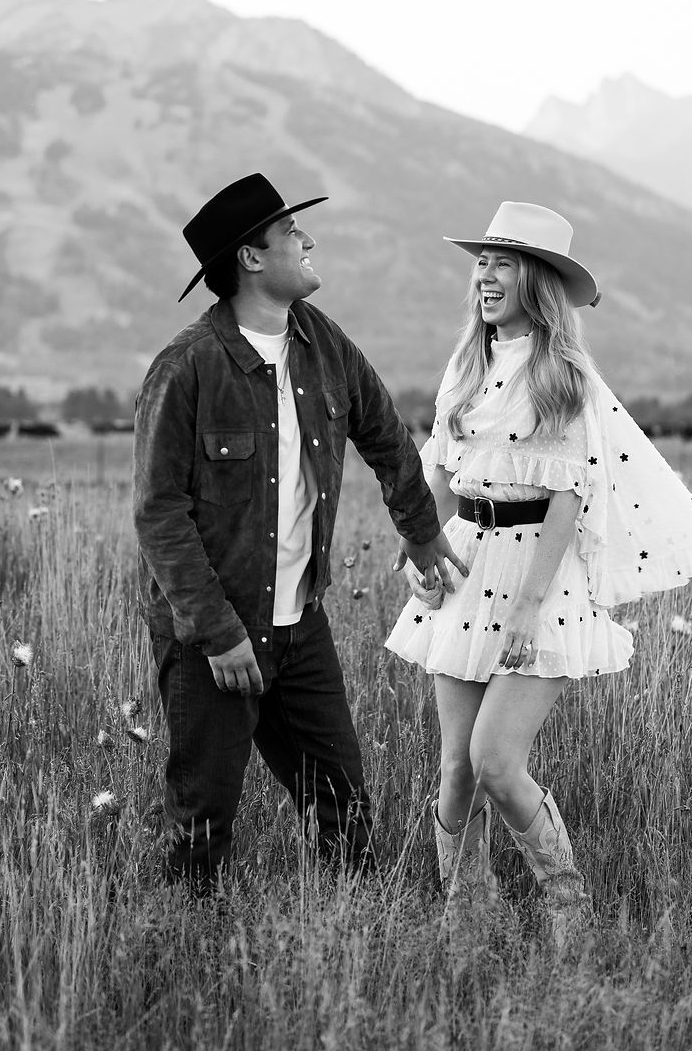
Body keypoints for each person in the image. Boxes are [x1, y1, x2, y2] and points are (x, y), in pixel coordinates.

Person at [386, 201, 692, 922]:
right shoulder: (465, 363)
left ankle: (567, 908)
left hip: (537, 579)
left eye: (502, 263)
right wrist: (417, 546)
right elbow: (440, 471)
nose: (485, 276)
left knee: (495, 763)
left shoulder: (562, 378)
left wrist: (526, 607)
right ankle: (467, 914)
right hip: (462, 565)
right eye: (481, 262)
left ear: (538, 280)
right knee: (455, 769)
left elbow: (566, 499)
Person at [133, 172, 467, 891]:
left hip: (300, 629)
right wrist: (217, 631)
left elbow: (384, 435)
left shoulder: (323, 343)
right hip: (215, 636)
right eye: (291, 233)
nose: (307, 240)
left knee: (344, 807)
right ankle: (185, 962)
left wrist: (418, 529)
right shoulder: (187, 367)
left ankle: (351, 954)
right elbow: (159, 513)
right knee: (202, 819)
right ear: (251, 259)